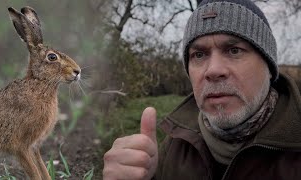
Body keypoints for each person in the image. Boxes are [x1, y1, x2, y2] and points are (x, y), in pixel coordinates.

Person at [103, 0, 301, 179]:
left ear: (269, 67)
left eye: (234, 50)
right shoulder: (175, 146)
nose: (213, 70)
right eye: (199, 55)